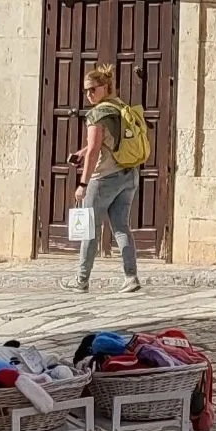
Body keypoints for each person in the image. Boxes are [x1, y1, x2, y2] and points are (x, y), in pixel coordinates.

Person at [71, 64, 143, 294]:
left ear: (105, 87)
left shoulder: (96, 114)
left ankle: (81, 280)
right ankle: (131, 277)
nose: (88, 94)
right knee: (121, 227)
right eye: (86, 90)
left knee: (89, 229)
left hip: (103, 178)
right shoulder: (119, 106)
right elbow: (107, 141)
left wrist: (83, 184)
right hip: (128, 174)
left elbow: (94, 151)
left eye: (93, 89)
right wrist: (83, 151)